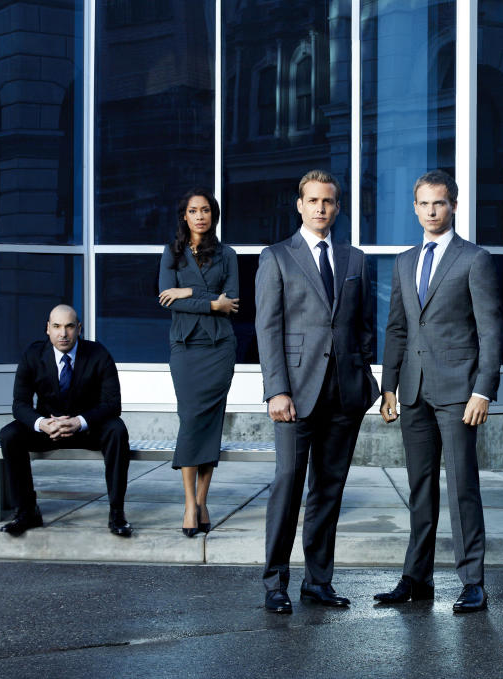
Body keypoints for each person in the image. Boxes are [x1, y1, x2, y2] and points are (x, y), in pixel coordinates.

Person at [375, 170, 502, 613]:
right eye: (424, 204)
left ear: (453, 206)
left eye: (440, 203)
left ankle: (472, 581)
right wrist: (387, 385)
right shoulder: (404, 261)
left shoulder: (474, 259)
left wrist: (483, 391)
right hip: (412, 390)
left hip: (459, 392)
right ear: (415, 208)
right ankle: (416, 578)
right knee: (419, 487)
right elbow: (396, 327)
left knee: (462, 486)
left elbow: (490, 331)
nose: (432, 211)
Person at [255, 169, 380, 614]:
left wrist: (363, 374)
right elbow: (268, 329)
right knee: (288, 485)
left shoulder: (355, 259)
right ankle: (275, 582)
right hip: (295, 393)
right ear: (300, 205)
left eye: (328, 201)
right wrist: (276, 390)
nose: (321, 208)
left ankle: (318, 581)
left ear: (337, 207)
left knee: (329, 489)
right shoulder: (276, 257)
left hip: (344, 393)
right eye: (313, 201)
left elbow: (365, 325)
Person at [0, 304, 133, 537]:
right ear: (47, 329)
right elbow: (19, 404)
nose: (63, 333)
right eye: (57, 327)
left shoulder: (98, 354)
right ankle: (27, 511)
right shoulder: (33, 354)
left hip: (87, 429)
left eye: (70, 326)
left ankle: (116, 513)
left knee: (117, 430)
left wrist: (79, 421)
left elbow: (113, 404)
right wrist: (42, 423)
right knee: (9, 434)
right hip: (48, 430)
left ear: (79, 328)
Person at [158, 189, 239, 537]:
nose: (200, 216)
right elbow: (166, 299)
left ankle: (201, 501)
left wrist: (189, 292)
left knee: (210, 424)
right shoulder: (172, 253)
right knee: (190, 420)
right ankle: (190, 502)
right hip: (186, 349)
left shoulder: (228, 254)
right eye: (193, 210)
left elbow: (231, 302)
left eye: (206, 210)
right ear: (185, 216)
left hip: (219, 348)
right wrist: (208, 301)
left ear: (213, 215)